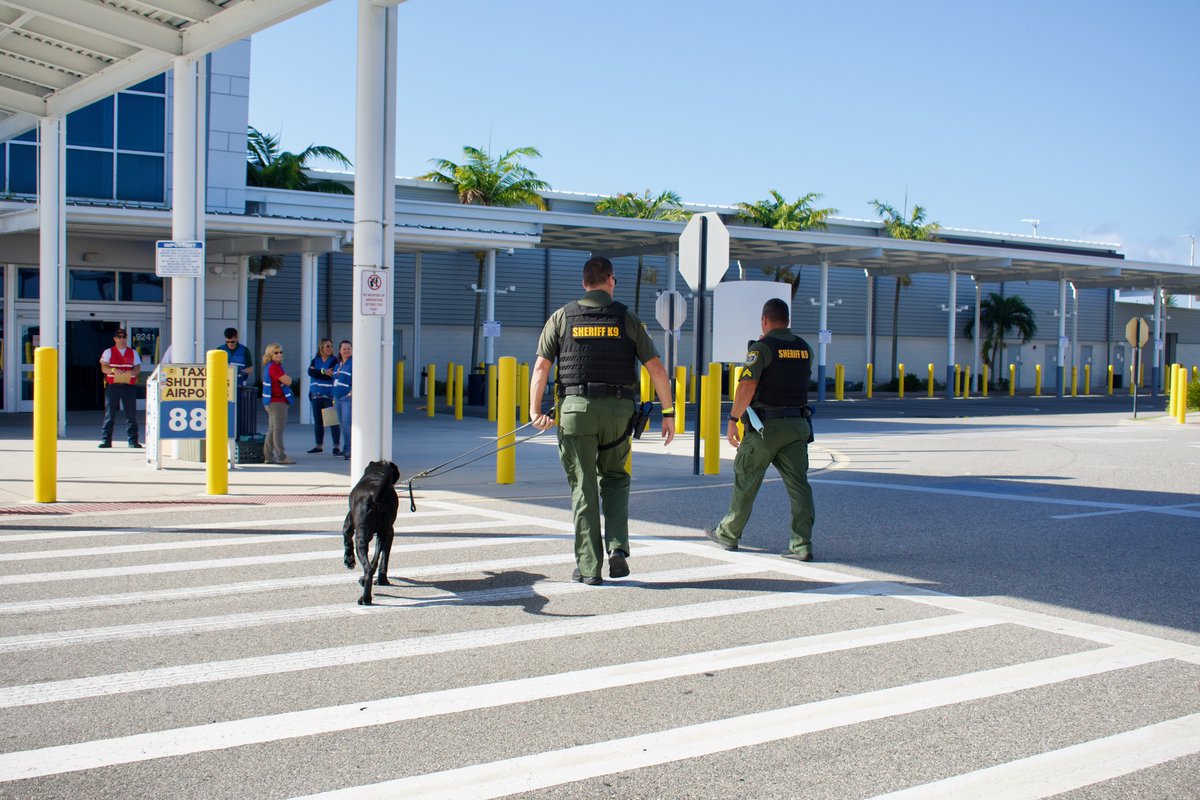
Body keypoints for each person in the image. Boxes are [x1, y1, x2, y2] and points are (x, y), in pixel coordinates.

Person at [530, 256, 675, 586]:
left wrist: (534, 411)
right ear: (610, 280)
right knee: (616, 478)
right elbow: (656, 370)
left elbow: (541, 368)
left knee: (583, 485)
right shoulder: (628, 318)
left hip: (575, 413)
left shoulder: (562, 318)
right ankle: (617, 549)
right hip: (618, 414)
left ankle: (589, 566)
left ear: (584, 283)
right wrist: (668, 413)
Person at [704, 298, 817, 561]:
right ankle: (801, 544)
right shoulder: (805, 348)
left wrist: (733, 419)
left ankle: (729, 533)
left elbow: (747, 386)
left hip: (766, 428)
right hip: (798, 425)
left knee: (746, 478)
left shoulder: (761, 348)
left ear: (765, 320)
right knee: (799, 486)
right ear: (786, 321)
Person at [98, 328, 142, 448]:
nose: (122, 339)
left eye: (124, 337)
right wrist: (113, 370)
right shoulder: (108, 352)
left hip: (128, 386)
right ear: (115, 339)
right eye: (119, 337)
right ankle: (106, 440)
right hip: (113, 386)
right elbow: (104, 368)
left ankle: (133, 441)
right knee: (109, 414)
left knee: (131, 415)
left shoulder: (133, 352)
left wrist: (132, 372)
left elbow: (137, 368)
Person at [261, 343, 295, 464]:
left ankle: (268, 456)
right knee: (278, 430)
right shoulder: (274, 367)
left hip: (273, 402)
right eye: (276, 352)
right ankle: (281, 456)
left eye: (281, 352)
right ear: (270, 354)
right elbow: (288, 381)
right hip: (277, 402)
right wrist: (288, 379)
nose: (279, 354)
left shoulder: (273, 366)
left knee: (272, 429)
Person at [307, 338, 341, 454]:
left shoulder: (334, 361)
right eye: (327, 346)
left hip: (328, 395)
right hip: (315, 394)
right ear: (321, 347)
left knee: (331, 421)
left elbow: (330, 375)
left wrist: (320, 372)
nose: (330, 348)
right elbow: (311, 372)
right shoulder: (315, 360)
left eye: (331, 346)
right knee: (318, 421)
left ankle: (336, 446)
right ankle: (318, 445)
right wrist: (322, 371)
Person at [332, 340, 353, 461]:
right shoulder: (338, 365)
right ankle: (346, 448)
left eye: (348, 348)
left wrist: (352, 391)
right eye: (344, 349)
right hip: (337, 397)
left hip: (347, 398)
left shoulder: (353, 364)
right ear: (340, 351)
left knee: (347, 424)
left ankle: (349, 450)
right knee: (342, 424)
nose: (346, 351)